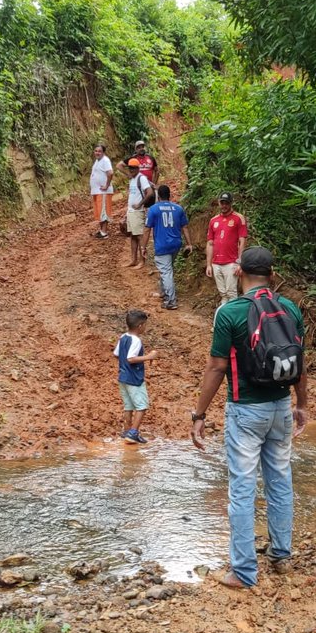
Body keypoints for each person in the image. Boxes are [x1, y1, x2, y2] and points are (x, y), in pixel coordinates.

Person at [190, 246, 308, 589]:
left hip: (244, 410)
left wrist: (200, 414)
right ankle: (281, 554)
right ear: (272, 275)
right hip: (281, 407)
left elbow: (216, 367)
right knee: (280, 481)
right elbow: (299, 364)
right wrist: (302, 405)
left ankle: (243, 571)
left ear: (239, 271)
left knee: (242, 488)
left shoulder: (230, 313)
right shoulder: (289, 309)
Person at [140, 184, 193, 309]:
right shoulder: (178, 208)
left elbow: (147, 229)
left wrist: (143, 247)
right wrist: (189, 243)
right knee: (168, 269)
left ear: (158, 197)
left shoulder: (153, 209)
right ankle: (164, 292)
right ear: (169, 196)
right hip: (176, 244)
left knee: (166, 271)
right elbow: (184, 227)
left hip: (162, 245)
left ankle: (171, 301)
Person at [113, 308, 158, 444]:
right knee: (142, 406)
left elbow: (116, 354)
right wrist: (149, 356)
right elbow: (131, 358)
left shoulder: (123, 337)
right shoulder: (136, 340)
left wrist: (124, 366)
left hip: (123, 377)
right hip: (134, 379)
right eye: (145, 325)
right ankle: (133, 433)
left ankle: (127, 431)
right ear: (140, 326)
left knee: (129, 406)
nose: (145, 327)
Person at [206, 193, 248, 305]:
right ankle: (223, 318)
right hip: (216, 263)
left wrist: (240, 262)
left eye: (226, 203)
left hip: (231, 262)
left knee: (231, 293)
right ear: (219, 203)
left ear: (231, 203)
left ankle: (233, 319)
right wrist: (209, 264)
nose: (224, 205)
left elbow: (242, 241)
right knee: (223, 294)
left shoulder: (238, 218)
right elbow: (210, 243)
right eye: (222, 202)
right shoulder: (213, 220)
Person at [125, 158, 154, 266]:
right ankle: (133, 260)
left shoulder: (141, 178)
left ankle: (142, 261)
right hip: (131, 211)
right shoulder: (132, 179)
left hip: (137, 212)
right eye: (130, 168)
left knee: (139, 236)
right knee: (133, 235)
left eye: (133, 168)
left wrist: (140, 204)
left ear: (138, 168)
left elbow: (150, 192)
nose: (131, 170)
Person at [89, 143, 114, 238]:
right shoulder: (97, 161)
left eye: (99, 151)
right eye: (96, 151)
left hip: (103, 191)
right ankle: (101, 230)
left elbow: (110, 173)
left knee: (103, 211)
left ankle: (104, 232)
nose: (97, 153)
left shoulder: (105, 160)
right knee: (99, 211)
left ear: (103, 152)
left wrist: (106, 185)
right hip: (97, 191)